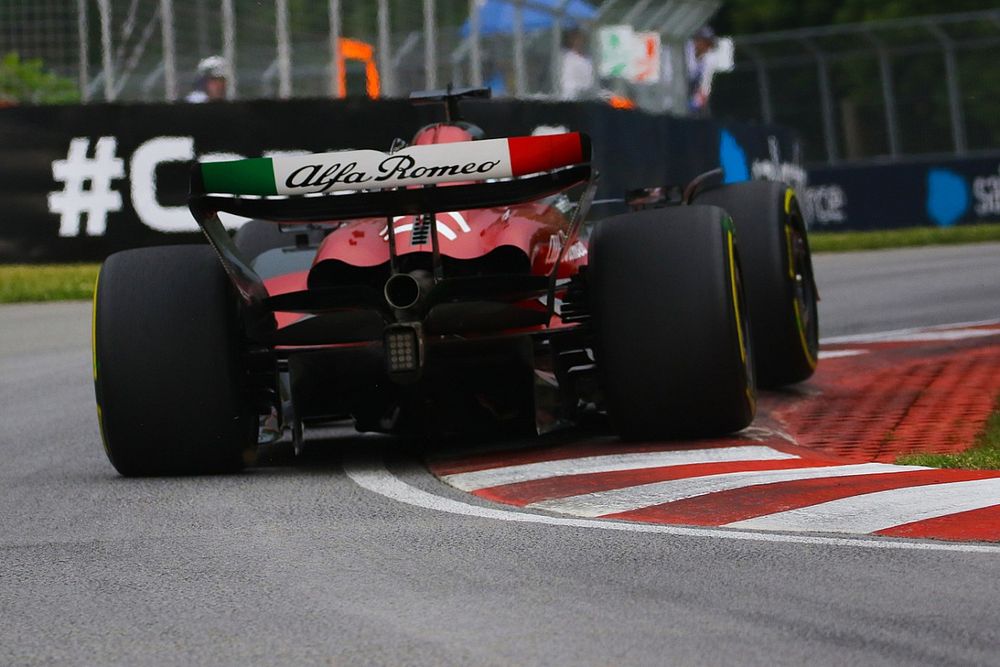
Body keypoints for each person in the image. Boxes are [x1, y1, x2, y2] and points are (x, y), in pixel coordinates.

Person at [686, 25, 718, 116]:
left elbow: (705, 86)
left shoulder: (710, 58)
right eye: (706, 43)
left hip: (691, 92)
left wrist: (695, 104)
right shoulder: (685, 50)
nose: (708, 47)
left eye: (709, 44)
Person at [560, 28, 595, 101]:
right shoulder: (566, 57)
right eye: (576, 39)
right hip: (571, 95)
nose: (579, 41)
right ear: (571, 40)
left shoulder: (588, 58)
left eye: (581, 39)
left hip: (587, 94)